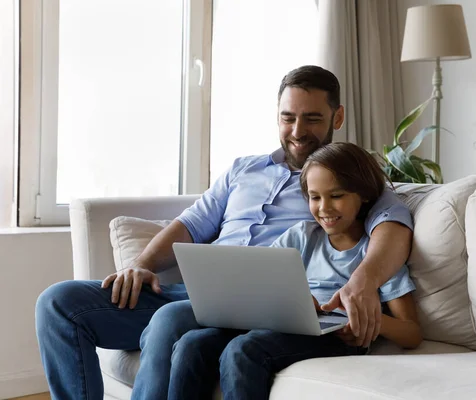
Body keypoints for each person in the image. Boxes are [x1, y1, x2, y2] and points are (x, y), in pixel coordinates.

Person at [35, 65, 413, 399]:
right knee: (58, 303)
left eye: (312, 118)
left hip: (256, 307)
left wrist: (362, 282)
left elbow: (391, 228)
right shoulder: (243, 170)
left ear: (338, 116)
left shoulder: (346, 181)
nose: (298, 131)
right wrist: (142, 264)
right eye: (288, 117)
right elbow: (192, 224)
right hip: (194, 295)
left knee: (169, 323)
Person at [163, 142, 422, 399]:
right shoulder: (301, 235)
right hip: (284, 324)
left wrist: (365, 320)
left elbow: (412, 333)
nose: (324, 208)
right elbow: (259, 277)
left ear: (363, 194)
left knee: (243, 350)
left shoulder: (378, 256)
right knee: (191, 345)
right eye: (315, 197)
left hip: (335, 338)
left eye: (337, 195)